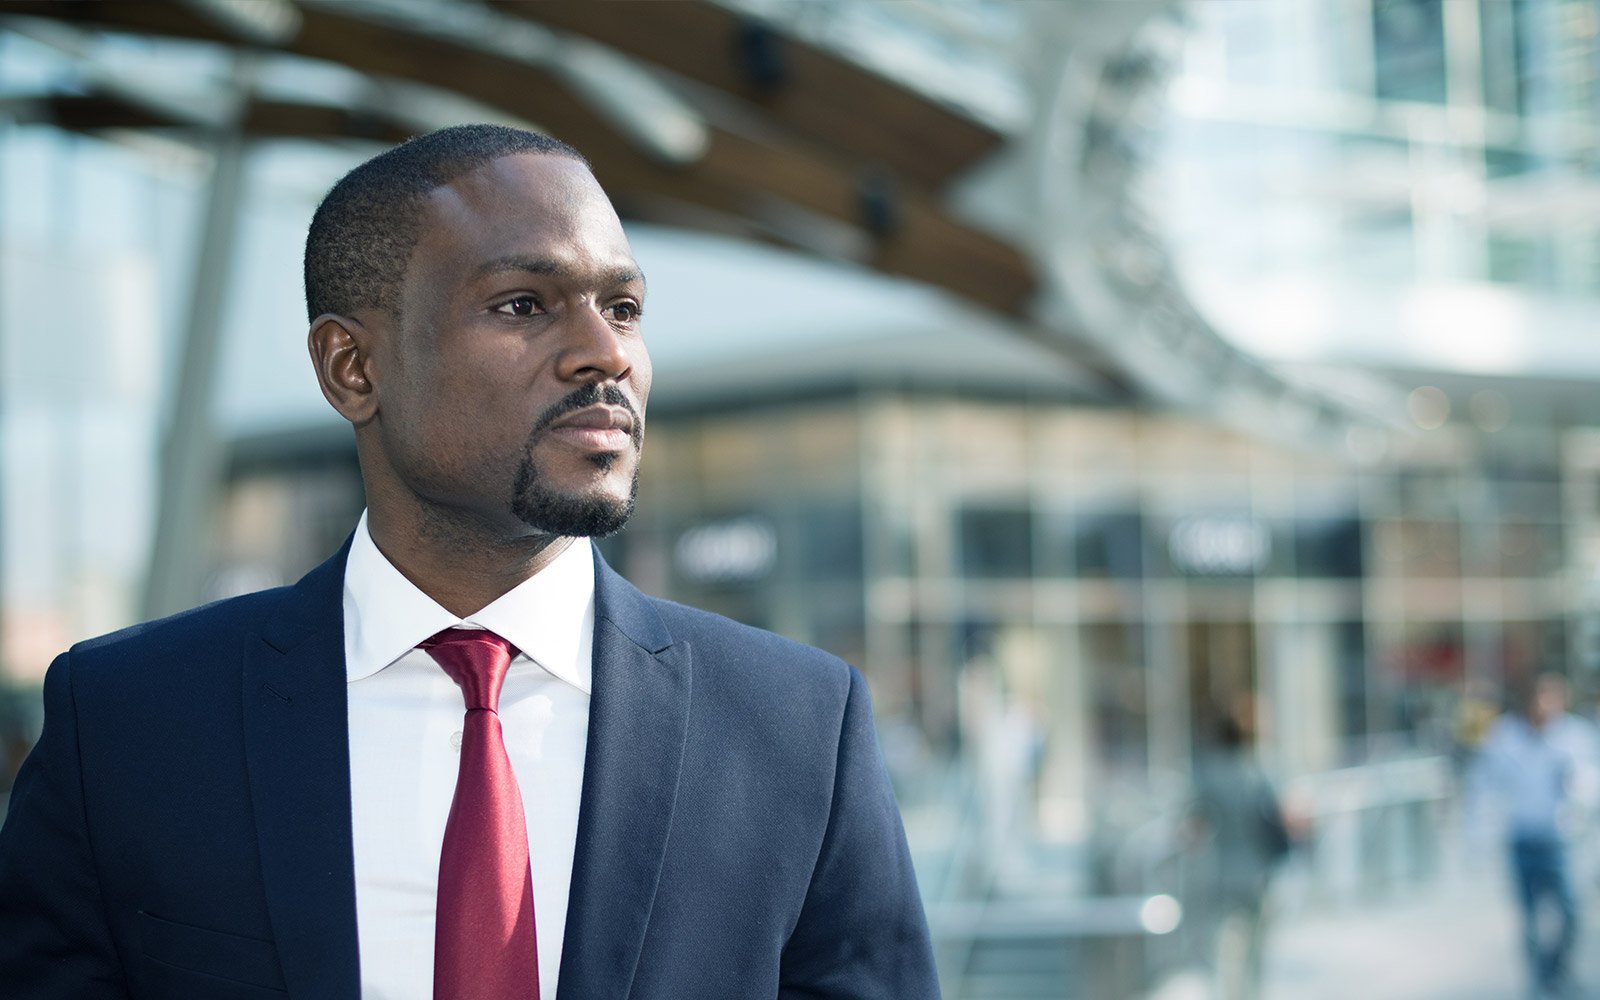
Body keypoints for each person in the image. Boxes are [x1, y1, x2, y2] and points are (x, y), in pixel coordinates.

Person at [0, 125, 939, 999]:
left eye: (623, 307)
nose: (604, 352)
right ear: (351, 369)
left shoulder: (799, 732)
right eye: (524, 305)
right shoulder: (130, 724)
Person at [1470, 671, 1598, 1000]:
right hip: (1521, 839)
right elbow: (1484, 785)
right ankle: (1539, 983)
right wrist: (1480, 835)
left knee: (1570, 914)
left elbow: (1589, 783)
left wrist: (1577, 798)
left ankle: (1557, 971)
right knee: (1529, 921)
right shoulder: (1505, 736)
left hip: (1558, 842)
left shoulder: (1574, 736)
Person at [1185, 711, 1292, 1000]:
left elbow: (1194, 828)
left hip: (1221, 875)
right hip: (1258, 874)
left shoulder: (1208, 775)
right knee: (1255, 953)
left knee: (1225, 951)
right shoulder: (1257, 773)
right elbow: (1279, 819)